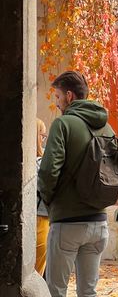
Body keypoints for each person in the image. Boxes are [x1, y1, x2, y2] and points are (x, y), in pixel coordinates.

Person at [37, 71, 112, 297]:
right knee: (88, 295)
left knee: (56, 293)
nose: (56, 103)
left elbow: (48, 171)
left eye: (57, 96)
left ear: (69, 95)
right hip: (99, 222)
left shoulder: (63, 124)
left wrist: (46, 199)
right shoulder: (105, 125)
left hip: (67, 221)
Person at [36, 117, 49, 276]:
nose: (44, 140)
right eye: (42, 135)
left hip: (43, 216)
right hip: (41, 216)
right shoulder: (40, 162)